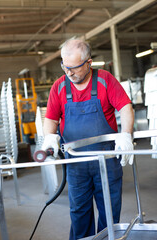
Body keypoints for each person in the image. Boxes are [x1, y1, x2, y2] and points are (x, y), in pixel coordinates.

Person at [42, 38, 134, 240]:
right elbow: (50, 118)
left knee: (109, 214)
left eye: (74, 68)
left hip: (107, 160)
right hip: (76, 163)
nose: (69, 73)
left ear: (89, 63)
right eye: (65, 67)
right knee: (79, 214)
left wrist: (126, 134)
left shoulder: (105, 80)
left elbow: (126, 107)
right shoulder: (58, 87)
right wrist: (49, 138)